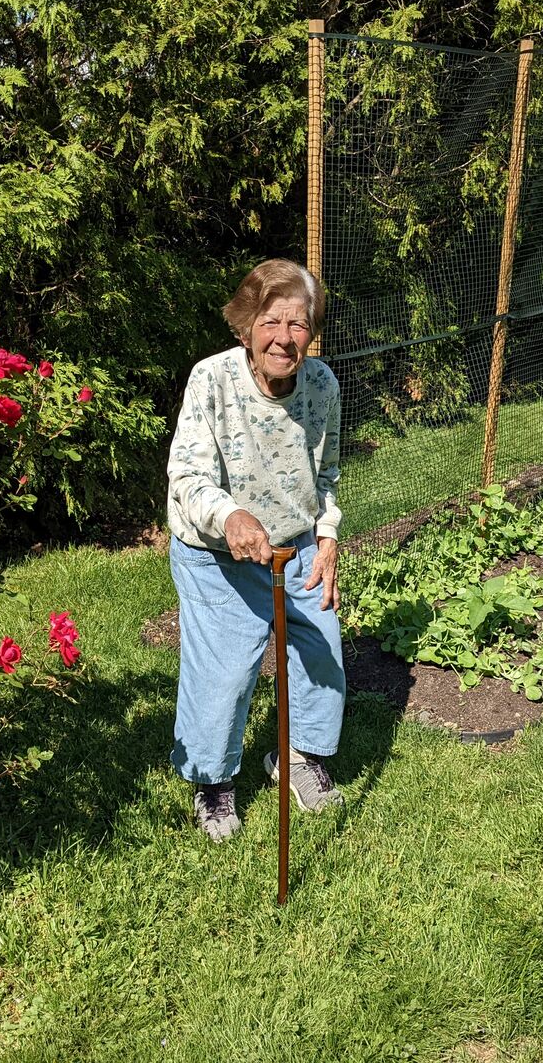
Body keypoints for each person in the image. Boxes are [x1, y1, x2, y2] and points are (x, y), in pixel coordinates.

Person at [166, 257, 346, 840]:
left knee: (323, 651)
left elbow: (326, 476)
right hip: (217, 553)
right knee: (224, 674)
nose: (284, 338)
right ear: (246, 327)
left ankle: (298, 756)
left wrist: (327, 536)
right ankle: (214, 784)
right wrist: (231, 516)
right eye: (270, 322)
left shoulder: (322, 386)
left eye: (298, 324)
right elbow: (187, 476)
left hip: (295, 545)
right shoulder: (211, 380)